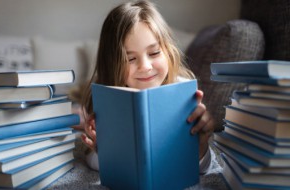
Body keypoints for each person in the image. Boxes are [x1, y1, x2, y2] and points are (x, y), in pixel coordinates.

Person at [78, 0, 221, 174]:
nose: (145, 66)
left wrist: (201, 148)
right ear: (112, 64)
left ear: (168, 51)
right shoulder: (107, 100)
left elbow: (205, 167)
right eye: (130, 59)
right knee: (79, 113)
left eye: (154, 53)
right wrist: (107, 154)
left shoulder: (183, 92)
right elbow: (91, 158)